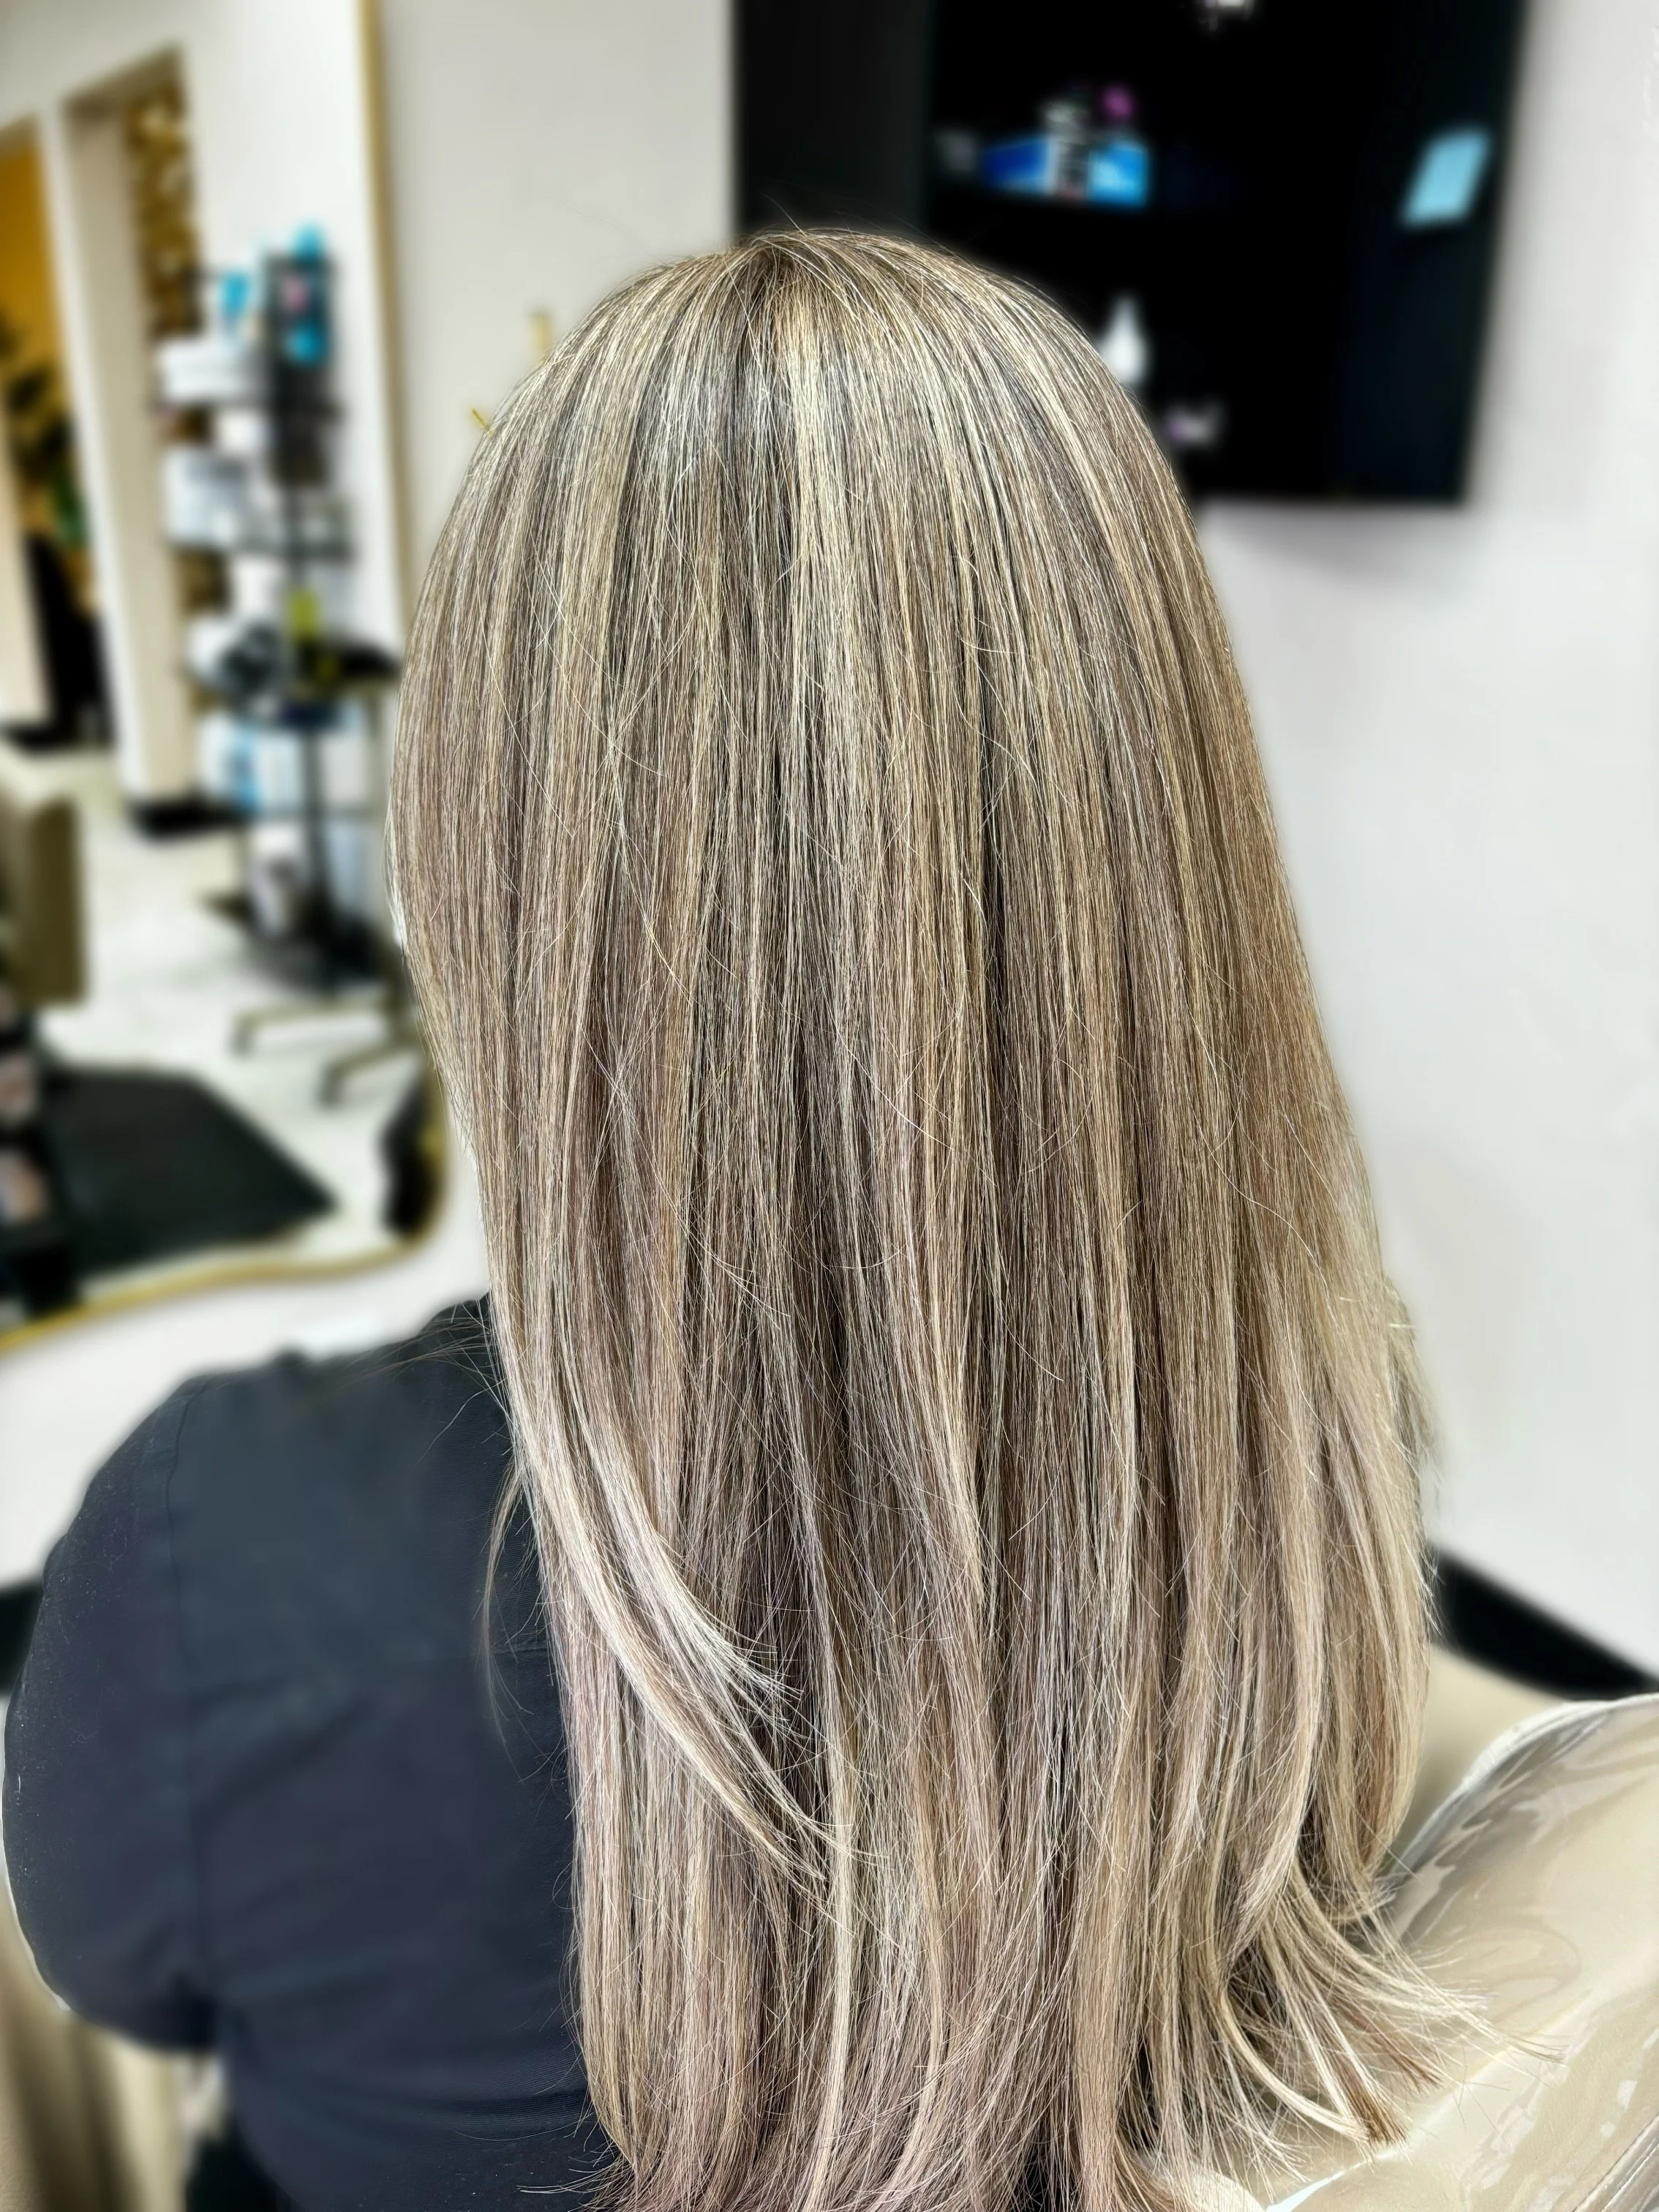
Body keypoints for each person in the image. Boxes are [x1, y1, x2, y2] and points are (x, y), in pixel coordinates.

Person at [10, 233, 1456, 2212]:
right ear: (1166, 852)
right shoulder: (1314, 1430)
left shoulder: (221, 1557)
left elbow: (117, 1973)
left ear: (489, 861)